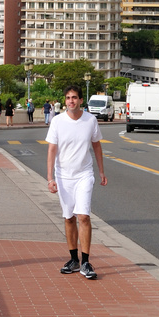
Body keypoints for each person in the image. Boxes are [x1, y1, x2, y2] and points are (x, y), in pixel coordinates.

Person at [46, 85, 107, 279]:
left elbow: (96, 146)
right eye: (68, 98)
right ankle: (74, 259)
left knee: (83, 216)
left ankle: (86, 262)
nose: (71, 101)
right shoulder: (57, 121)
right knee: (69, 218)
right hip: (63, 176)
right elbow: (52, 151)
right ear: (65, 101)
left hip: (84, 174)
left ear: (81, 100)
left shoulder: (90, 120)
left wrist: (101, 171)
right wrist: (50, 178)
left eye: (74, 98)